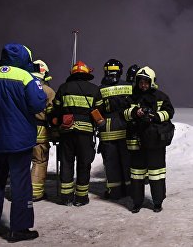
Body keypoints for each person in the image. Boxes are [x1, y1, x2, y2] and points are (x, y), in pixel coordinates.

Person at [0, 43, 47, 242]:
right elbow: (37, 104)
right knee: (21, 184)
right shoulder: (26, 77)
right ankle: (19, 229)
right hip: (20, 141)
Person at [51, 61, 103, 207]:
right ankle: (81, 197)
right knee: (84, 163)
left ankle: (66, 197)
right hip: (85, 134)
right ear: (86, 74)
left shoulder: (63, 88)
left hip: (67, 132)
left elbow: (56, 110)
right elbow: (100, 111)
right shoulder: (94, 89)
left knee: (67, 163)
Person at [124, 66, 175, 213]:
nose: (143, 85)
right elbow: (124, 114)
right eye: (140, 82)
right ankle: (137, 202)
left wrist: (156, 116)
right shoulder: (131, 97)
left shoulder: (161, 97)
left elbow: (170, 112)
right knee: (136, 175)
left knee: (156, 174)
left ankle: (157, 202)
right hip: (136, 142)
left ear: (152, 82)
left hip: (155, 143)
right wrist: (135, 112)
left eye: (146, 82)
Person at [97, 59, 133, 200]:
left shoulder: (100, 89)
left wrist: (99, 123)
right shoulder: (129, 87)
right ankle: (129, 189)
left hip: (107, 132)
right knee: (127, 162)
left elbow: (96, 111)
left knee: (111, 164)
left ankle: (115, 192)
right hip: (126, 129)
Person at [30, 60, 56, 202]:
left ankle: (18, 192)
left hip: (20, 129)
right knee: (39, 160)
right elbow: (53, 114)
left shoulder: (20, 86)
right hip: (40, 129)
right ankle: (35, 193)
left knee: (19, 161)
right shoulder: (48, 91)